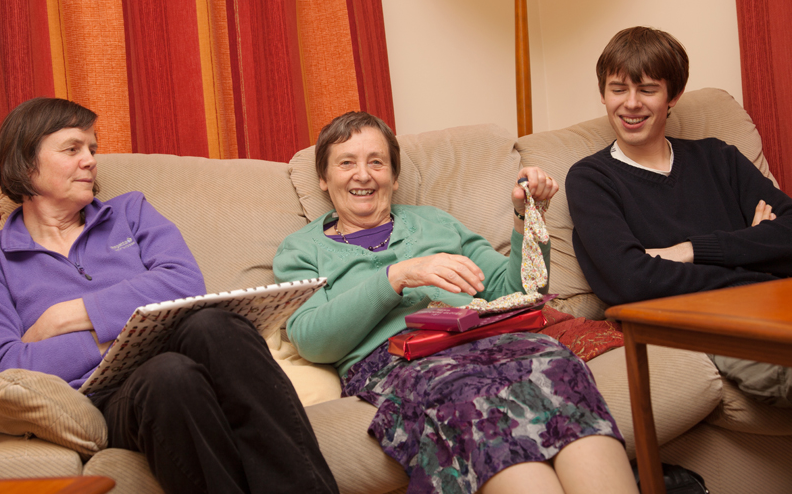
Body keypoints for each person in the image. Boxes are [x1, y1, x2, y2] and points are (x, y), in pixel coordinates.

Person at [0, 97, 339, 494]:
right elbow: (6, 369)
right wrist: (127, 332)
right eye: (72, 149)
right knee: (168, 375)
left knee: (215, 325)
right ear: (25, 163)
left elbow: (185, 283)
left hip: (186, 354)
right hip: (110, 397)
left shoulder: (130, 212)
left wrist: (65, 317)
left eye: (92, 148)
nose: (90, 161)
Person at [273, 111, 637, 494]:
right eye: (346, 163)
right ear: (324, 178)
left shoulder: (435, 223)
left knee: (558, 363)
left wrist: (525, 218)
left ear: (394, 177)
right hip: (400, 361)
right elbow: (311, 339)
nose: (362, 175)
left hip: (486, 338)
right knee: (471, 396)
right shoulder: (301, 250)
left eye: (376, 162)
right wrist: (397, 276)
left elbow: (516, 292)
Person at [566, 26, 792, 406]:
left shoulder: (718, 157)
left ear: (673, 96)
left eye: (647, 90)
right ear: (603, 94)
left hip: (776, 300)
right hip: (709, 324)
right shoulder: (591, 179)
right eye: (618, 89)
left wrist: (689, 250)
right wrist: (756, 250)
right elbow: (629, 281)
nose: (631, 103)